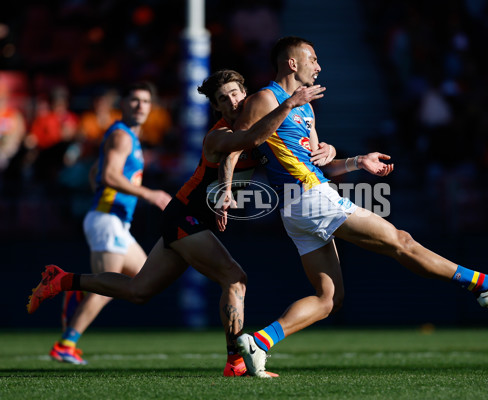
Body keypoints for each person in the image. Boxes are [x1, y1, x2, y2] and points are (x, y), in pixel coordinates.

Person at [220, 36, 488, 378]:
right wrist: (225, 190)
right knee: (403, 242)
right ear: (292, 63)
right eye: (313, 58)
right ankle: (484, 284)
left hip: (301, 206)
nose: (319, 66)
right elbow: (237, 146)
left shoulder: (306, 107)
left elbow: (319, 163)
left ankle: (259, 343)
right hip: (309, 198)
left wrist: (357, 161)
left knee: (329, 299)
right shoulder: (265, 98)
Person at [26, 70, 327, 377]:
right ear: (218, 108)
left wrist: (327, 151)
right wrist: (288, 104)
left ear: (246, 94)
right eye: (223, 99)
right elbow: (248, 140)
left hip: (187, 219)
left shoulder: (260, 124)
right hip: (185, 216)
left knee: (138, 291)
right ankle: (235, 362)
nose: (232, 101)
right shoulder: (219, 135)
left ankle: (62, 280)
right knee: (235, 278)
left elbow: (293, 149)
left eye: (236, 93)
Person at [46, 81, 172, 365]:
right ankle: (66, 343)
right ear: (123, 104)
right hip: (107, 220)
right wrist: (149, 194)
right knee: (109, 287)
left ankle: (78, 293)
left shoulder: (128, 138)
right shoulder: (122, 136)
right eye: (134, 100)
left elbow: (96, 171)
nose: (140, 106)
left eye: (146, 101)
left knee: (142, 283)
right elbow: (109, 176)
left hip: (114, 221)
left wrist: (105, 190)